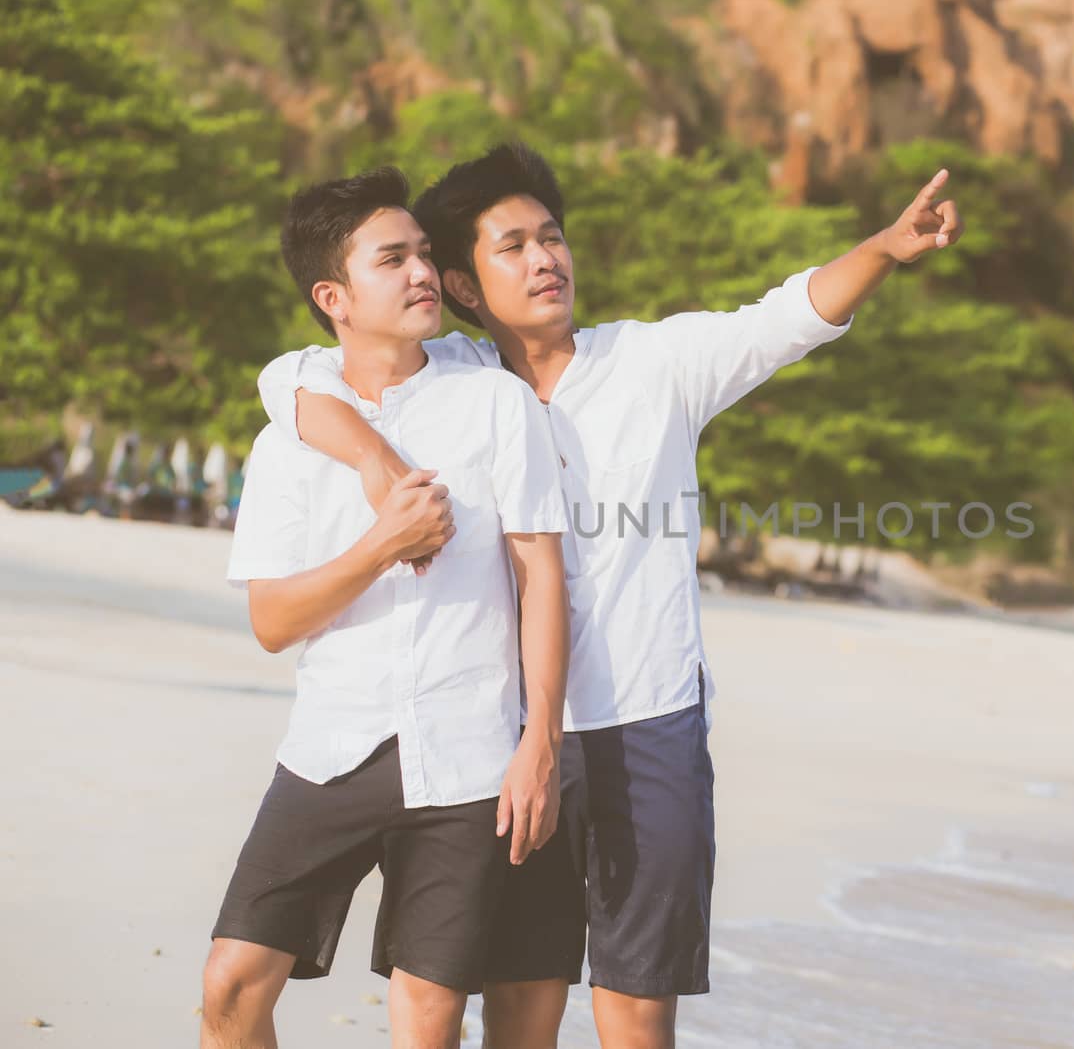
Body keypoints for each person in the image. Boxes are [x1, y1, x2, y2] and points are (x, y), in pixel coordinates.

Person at [256, 143, 964, 1048]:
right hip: (506, 736)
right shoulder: (457, 381)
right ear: (466, 286)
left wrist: (884, 248)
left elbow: (787, 316)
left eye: (551, 237)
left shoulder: (653, 363)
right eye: (511, 246)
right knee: (520, 1003)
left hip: (647, 726)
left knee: (635, 1012)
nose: (545, 259)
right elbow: (291, 379)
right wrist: (372, 456)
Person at [202, 166, 570, 1049]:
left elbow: (541, 577)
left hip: (469, 752)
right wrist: (380, 543)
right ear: (334, 295)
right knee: (231, 983)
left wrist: (540, 744)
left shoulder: (493, 402)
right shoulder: (289, 439)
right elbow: (271, 623)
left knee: (430, 1013)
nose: (420, 274)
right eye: (392, 258)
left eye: (423, 254)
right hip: (334, 747)